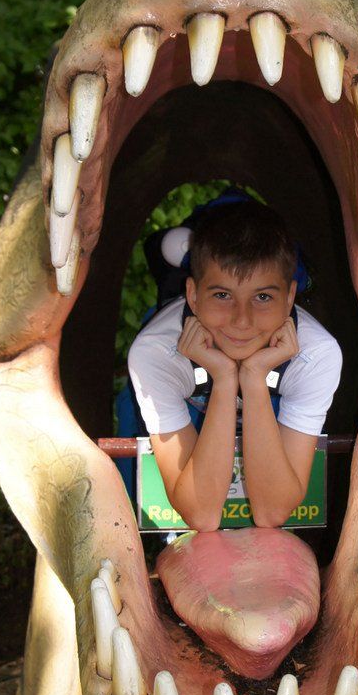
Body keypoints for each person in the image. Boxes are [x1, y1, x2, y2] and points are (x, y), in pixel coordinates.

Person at [127, 199, 342, 531]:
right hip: (188, 394)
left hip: (270, 395)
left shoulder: (316, 355)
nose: (242, 320)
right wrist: (226, 378)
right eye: (222, 295)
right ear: (193, 295)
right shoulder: (156, 355)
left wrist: (252, 378)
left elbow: (273, 512)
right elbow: (201, 514)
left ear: (289, 298)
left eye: (263, 297)